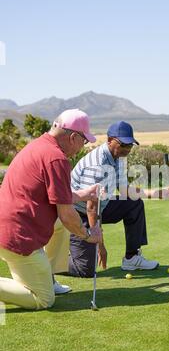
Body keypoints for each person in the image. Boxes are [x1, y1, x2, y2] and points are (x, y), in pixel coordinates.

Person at [0, 109, 102, 310]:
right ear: (73, 137)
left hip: (9, 226)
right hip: (17, 237)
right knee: (44, 299)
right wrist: (88, 235)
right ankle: (43, 285)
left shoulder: (40, 146)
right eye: (84, 141)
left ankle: (48, 277)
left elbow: (57, 195)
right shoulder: (57, 159)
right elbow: (66, 214)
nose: (84, 147)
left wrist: (84, 194)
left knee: (58, 227)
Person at [67, 121, 169, 278]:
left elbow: (125, 191)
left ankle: (131, 257)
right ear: (109, 140)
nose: (127, 149)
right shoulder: (96, 164)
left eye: (130, 145)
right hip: (78, 213)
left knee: (133, 204)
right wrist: (100, 244)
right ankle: (53, 260)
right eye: (123, 144)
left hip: (101, 207)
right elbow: (91, 208)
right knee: (85, 269)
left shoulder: (119, 158)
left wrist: (156, 193)